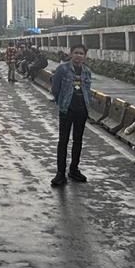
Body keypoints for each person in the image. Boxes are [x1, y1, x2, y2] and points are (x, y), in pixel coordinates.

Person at [50, 43, 94, 187]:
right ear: (71, 54)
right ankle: (60, 173)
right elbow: (55, 88)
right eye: (76, 52)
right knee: (63, 141)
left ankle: (74, 169)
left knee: (78, 140)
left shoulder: (87, 71)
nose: (78, 56)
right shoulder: (62, 69)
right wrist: (61, 102)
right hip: (66, 110)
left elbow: (87, 90)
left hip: (82, 110)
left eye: (81, 53)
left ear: (85, 56)